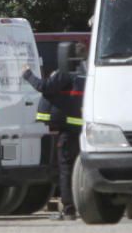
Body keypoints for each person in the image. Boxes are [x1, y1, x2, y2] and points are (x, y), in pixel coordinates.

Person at [22, 41, 87, 221]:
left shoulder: (64, 75)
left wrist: (27, 74)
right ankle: (80, 206)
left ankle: (68, 209)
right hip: (79, 130)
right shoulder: (84, 74)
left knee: (64, 170)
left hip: (66, 131)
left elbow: (43, 87)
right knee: (77, 169)